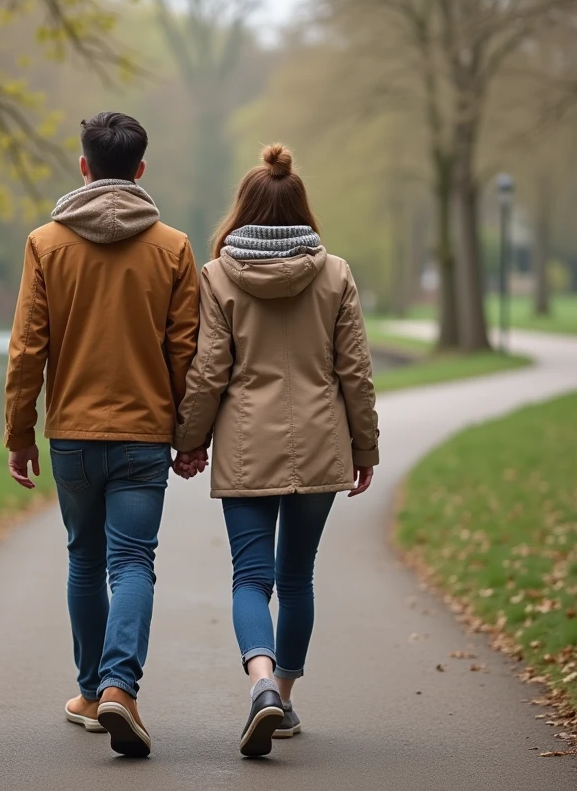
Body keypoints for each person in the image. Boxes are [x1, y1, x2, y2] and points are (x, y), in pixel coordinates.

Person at [4, 112, 200, 758]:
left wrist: (18, 432)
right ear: (141, 170)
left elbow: (28, 349)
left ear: (83, 167)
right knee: (133, 561)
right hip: (145, 436)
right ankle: (119, 687)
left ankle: (91, 693)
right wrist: (190, 434)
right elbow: (186, 352)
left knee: (84, 559)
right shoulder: (172, 247)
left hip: (73, 437)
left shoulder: (45, 243)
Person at [173, 144, 380, 757]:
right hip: (321, 444)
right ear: (302, 208)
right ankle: (284, 700)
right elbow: (356, 374)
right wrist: (363, 448)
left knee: (250, 576)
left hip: (244, 447)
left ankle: (259, 684)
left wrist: (189, 442)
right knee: (297, 578)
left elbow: (209, 371)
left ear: (242, 210)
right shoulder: (335, 273)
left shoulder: (217, 276)